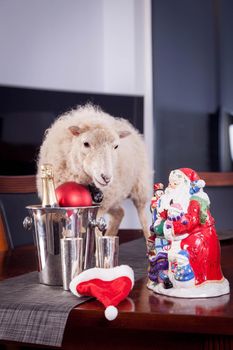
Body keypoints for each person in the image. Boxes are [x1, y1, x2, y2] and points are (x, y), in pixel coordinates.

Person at [151, 168, 229, 297]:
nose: (171, 186)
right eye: (170, 183)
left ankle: (190, 281)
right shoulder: (173, 200)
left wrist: (171, 225)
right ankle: (172, 278)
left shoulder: (195, 200)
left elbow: (189, 222)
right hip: (184, 237)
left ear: (186, 185)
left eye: (175, 184)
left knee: (185, 260)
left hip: (198, 240)